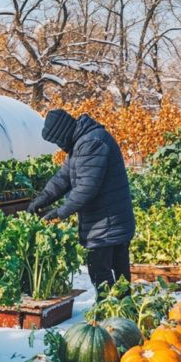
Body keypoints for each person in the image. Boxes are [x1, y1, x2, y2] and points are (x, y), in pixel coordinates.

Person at [27, 109, 135, 296]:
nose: (59, 146)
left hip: (106, 224)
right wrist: (43, 198)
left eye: (57, 140)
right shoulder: (82, 142)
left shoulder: (91, 143)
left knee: (102, 272)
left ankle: (110, 315)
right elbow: (63, 178)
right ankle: (122, 313)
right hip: (108, 220)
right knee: (118, 273)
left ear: (63, 133)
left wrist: (59, 213)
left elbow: (86, 188)